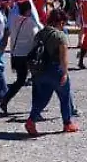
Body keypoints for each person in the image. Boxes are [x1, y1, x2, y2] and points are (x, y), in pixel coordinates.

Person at [24, 8, 80, 137]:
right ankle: (67, 123)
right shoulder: (59, 35)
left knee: (43, 99)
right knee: (64, 97)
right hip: (55, 70)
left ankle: (31, 120)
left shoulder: (40, 33)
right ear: (60, 22)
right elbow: (63, 57)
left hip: (39, 70)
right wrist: (65, 73)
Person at [0, 0, 42, 115]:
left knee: (20, 80)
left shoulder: (14, 20)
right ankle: (36, 108)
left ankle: (6, 98)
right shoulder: (30, 23)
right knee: (36, 81)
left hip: (16, 54)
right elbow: (36, 38)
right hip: (27, 56)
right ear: (29, 10)